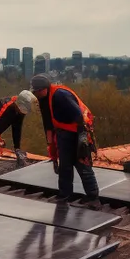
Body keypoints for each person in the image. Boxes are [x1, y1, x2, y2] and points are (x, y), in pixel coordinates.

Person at [31, 74, 100, 202]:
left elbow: (79, 116)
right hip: (63, 132)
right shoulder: (43, 100)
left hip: (79, 130)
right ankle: (65, 195)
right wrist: (52, 152)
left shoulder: (60, 95)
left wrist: (82, 140)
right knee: (65, 166)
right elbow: (48, 125)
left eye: (37, 91)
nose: (36, 94)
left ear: (44, 89)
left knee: (82, 164)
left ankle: (93, 198)